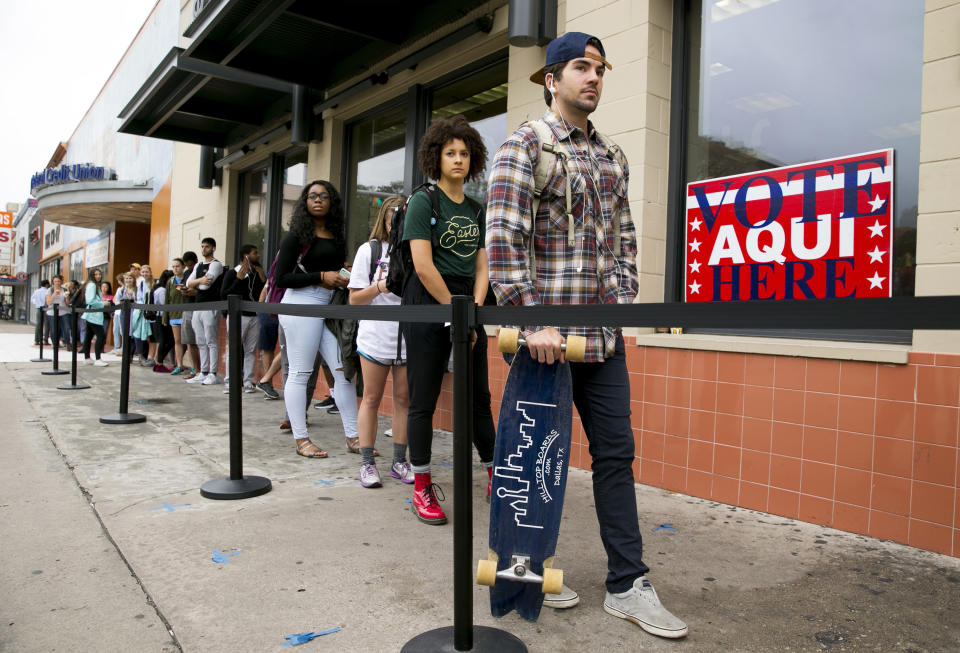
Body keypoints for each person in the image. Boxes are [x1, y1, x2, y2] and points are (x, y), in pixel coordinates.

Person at [485, 32, 687, 638]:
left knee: (616, 456)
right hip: (547, 343)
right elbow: (503, 245)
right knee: (534, 461)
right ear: (552, 78)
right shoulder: (525, 147)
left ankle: (628, 582)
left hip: (602, 341)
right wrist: (531, 323)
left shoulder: (613, 156)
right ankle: (527, 565)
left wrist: (621, 306)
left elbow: (623, 240)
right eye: (581, 67)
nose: (593, 77)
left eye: (600, 68)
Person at [400, 115, 496, 525]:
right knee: (423, 400)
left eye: (465, 153)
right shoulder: (424, 201)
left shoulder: (477, 207)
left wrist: (471, 315)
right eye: (450, 153)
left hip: (466, 306)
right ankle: (421, 486)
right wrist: (453, 312)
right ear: (435, 157)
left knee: (478, 398)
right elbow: (422, 266)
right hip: (428, 302)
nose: (458, 159)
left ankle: (496, 475)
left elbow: (482, 268)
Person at [275, 180, 358, 459]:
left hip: (328, 307)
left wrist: (342, 277)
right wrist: (321, 277)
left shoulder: (336, 235)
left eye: (324, 196)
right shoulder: (296, 236)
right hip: (300, 306)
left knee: (342, 371)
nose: (318, 200)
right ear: (305, 202)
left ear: (331, 201)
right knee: (300, 372)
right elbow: (282, 278)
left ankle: (353, 436)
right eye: (312, 196)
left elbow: (334, 267)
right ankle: (301, 439)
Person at [348, 195, 412, 488]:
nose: (399, 221)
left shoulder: (417, 250)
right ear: (385, 218)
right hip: (375, 336)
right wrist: (383, 284)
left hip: (407, 337)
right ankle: (367, 463)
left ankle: (400, 461)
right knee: (371, 398)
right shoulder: (369, 250)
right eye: (395, 216)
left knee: (403, 400)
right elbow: (355, 299)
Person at [220, 244, 265, 392]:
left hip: (254, 316)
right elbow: (224, 294)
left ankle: (247, 382)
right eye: (254, 253)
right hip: (238, 317)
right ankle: (230, 382)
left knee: (250, 350)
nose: (257, 255)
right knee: (233, 349)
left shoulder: (257, 272)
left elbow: (261, 294)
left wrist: (263, 279)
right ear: (246, 256)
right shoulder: (233, 273)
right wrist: (239, 279)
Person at [186, 238, 224, 385]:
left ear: (213, 248)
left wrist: (197, 283)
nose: (203, 249)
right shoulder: (199, 265)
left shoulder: (216, 265)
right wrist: (198, 282)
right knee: (200, 340)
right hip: (198, 306)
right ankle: (203, 371)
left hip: (211, 305)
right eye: (202, 246)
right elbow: (188, 282)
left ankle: (213, 373)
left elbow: (205, 286)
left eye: (207, 247)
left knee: (211, 340)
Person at [163, 258, 188, 374]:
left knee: (188, 341)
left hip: (186, 313)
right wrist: (165, 317)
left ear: (183, 266)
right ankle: (179, 364)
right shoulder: (171, 281)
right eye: (173, 267)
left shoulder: (188, 278)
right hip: (174, 315)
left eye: (177, 266)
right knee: (177, 340)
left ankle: (193, 366)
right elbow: (167, 300)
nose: (175, 269)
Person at [179, 251, 200, 379]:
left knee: (201, 341)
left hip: (198, 308)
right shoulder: (187, 273)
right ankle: (195, 369)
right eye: (186, 265)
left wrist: (195, 292)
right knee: (189, 340)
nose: (189, 268)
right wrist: (183, 290)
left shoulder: (201, 271)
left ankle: (203, 370)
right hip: (187, 307)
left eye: (191, 265)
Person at [81, 268, 108, 366]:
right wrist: (103, 303)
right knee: (101, 336)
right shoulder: (92, 285)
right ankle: (98, 359)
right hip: (93, 315)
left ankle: (87, 358)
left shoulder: (93, 284)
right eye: (96, 274)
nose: (98, 276)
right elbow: (90, 300)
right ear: (92, 275)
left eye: (99, 274)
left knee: (88, 336)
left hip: (91, 315)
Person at [152, 269, 175, 372]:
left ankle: (158, 361)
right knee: (165, 340)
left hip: (160, 317)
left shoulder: (159, 289)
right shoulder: (162, 290)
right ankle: (159, 363)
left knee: (167, 340)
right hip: (162, 317)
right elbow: (164, 304)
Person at [45, 275, 71, 347]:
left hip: (63, 312)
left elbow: (67, 304)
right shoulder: (50, 290)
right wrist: (54, 294)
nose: (57, 283)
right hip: (52, 313)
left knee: (66, 327)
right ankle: (55, 343)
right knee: (53, 329)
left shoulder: (65, 290)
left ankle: (68, 343)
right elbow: (48, 303)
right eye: (55, 281)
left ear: (61, 282)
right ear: (53, 282)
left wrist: (67, 297)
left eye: (59, 281)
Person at [31, 280, 50, 345]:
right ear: (47, 285)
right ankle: (45, 340)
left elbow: (32, 300)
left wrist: (37, 303)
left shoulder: (36, 291)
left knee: (38, 324)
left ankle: (37, 340)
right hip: (46, 308)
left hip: (39, 308)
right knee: (47, 324)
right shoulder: (48, 291)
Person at [67, 280, 84, 346]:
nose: (70, 285)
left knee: (79, 326)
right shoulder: (68, 292)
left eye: (72, 284)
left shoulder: (79, 292)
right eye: (70, 283)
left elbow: (75, 301)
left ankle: (79, 340)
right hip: (70, 311)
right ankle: (72, 341)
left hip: (78, 310)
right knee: (71, 326)